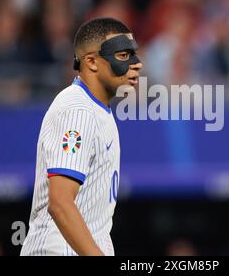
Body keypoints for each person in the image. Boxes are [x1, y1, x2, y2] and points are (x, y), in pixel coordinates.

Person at [21, 17, 143, 256]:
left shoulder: (98, 109)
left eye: (134, 54)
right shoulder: (78, 109)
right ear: (91, 62)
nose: (136, 64)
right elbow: (61, 203)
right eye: (122, 56)